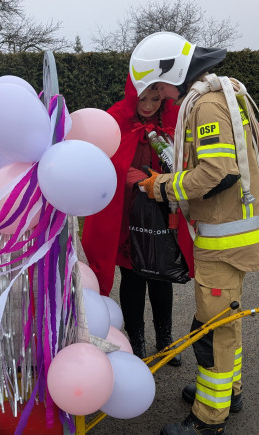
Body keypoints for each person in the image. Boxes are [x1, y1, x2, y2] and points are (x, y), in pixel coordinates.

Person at [130, 31, 259, 435]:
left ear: (171, 70)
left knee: (212, 328)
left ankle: (209, 419)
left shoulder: (207, 104)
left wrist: (161, 187)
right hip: (235, 234)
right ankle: (230, 392)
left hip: (224, 242)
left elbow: (217, 171)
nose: (162, 95)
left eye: (159, 85)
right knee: (227, 318)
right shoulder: (218, 94)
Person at [82, 76, 194, 364]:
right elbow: (113, 165)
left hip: (162, 210)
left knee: (162, 275)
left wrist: (166, 181)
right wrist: (146, 181)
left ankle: (165, 339)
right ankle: (137, 339)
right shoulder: (116, 119)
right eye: (142, 99)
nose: (147, 106)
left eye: (154, 100)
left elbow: (185, 159)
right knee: (132, 277)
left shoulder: (172, 121)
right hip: (128, 212)